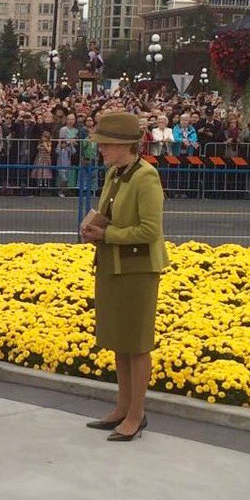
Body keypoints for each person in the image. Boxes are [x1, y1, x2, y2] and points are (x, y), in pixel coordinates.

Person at [80, 111, 168, 441]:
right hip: (113, 265)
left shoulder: (146, 176)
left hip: (138, 269)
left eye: (105, 144)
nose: (100, 150)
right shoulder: (116, 174)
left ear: (124, 145)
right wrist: (94, 226)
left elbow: (150, 230)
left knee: (137, 343)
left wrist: (107, 235)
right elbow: (109, 213)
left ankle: (136, 413)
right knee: (119, 340)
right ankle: (122, 406)